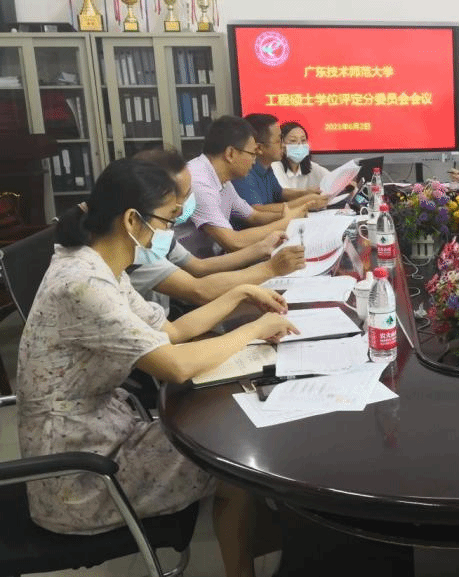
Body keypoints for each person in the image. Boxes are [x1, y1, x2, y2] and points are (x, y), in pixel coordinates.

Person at [16, 158, 298, 577]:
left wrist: (241, 293)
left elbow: (173, 330)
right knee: (234, 460)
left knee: (234, 434)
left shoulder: (100, 265)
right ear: (132, 219)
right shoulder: (83, 284)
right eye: (167, 220)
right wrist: (254, 330)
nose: (169, 231)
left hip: (104, 434)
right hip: (79, 476)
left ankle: (281, 542)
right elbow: (175, 365)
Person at [130, 148, 306, 305]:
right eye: (180, 198)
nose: (181, 208)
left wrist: (262, 247)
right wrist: (270, 268)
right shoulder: (138, 251)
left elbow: (199, 266)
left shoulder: (160, 232)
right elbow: (199, 290)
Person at [175, 115, 308, 257]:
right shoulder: (199, 182)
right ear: (230, 154)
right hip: (190, 265)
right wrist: (286, 222)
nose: (254, 161)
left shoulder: (222, 178)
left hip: (213, 257)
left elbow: (253, 216)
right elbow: (233, 242)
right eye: (252, 154)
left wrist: (285, 216)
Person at [233, 113, 327, 213]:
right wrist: (306, 202)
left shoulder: (266, 167)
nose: (283, 145)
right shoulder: (244, 172)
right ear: (259, 148)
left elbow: (279, 193)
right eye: (278, 141)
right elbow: (256, 211)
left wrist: (305, 193)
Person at [272, 121, 331, 191]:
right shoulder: (275, 166)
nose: (300, 145)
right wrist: (309, 193)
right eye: (293, 141)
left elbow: (332, 180)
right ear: (281, 145)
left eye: (303, 140)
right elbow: (284, 194)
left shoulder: (312, 167)